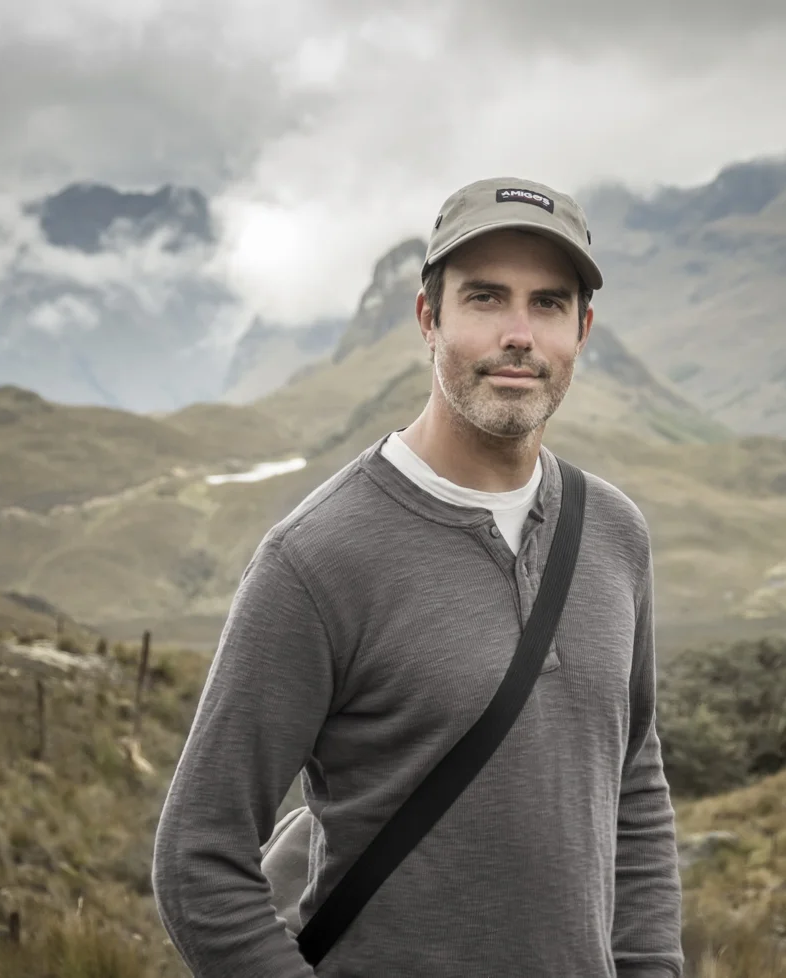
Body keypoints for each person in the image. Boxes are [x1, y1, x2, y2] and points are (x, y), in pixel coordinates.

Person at [151, 178, 684, 977]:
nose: (519, 334)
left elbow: (633, 784)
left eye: (547, 303)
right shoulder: (315, 559)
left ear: (583, 329)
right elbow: (198, 855)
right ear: (428, 318)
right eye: (485, 299)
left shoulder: (615, 533)